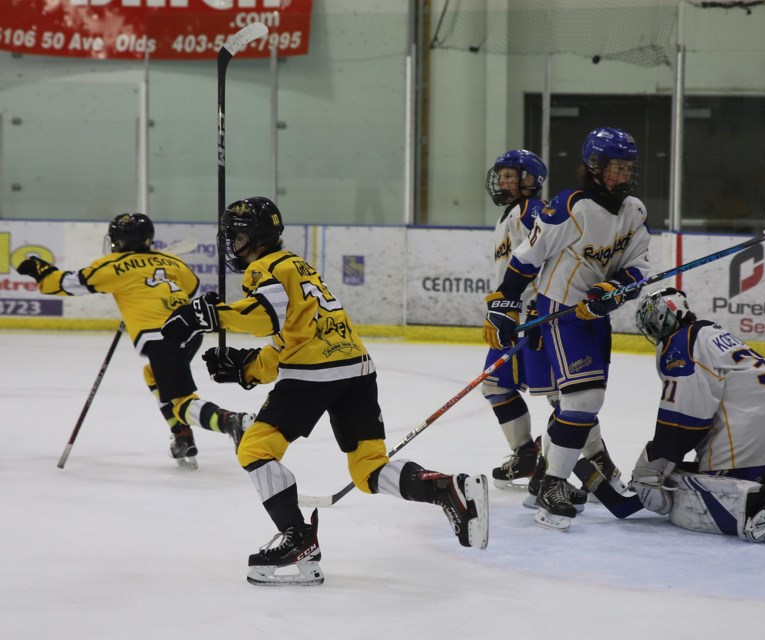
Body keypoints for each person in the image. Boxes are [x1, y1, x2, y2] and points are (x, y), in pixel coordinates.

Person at [160, 197, 489, 586]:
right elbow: (296, 334)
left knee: (254, 449)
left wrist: (207, 316)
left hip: (315, 375)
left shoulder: (266, 268)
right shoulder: (298, 266)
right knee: (368, 469)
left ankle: (299, 540)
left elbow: (267, 317)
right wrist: (248, 367)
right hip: (357, 369)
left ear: (258, 237)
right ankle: (446, 489)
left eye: (238, 234)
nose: (232, 243)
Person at [482, 127, 652, 531]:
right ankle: (554, 482)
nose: (622, 174)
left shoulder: (635, 211)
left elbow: (638, 267)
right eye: (615, 167)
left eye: (627, 167)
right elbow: (528, 257)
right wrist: (506, 304)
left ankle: (553, 475)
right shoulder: (570, 206)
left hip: (594, 315)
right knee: (580, 398)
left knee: (580, 401)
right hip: (559, 309)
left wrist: (616, 289)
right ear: (594, 166)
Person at [575, 287, 765, 543]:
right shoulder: (707, 332)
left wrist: (656, 460)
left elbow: (687, 415)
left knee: (695, 491)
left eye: (653, 325)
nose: (654, 332)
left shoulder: (681, 344)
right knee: (739, 473)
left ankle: (762, 506)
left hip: (743, 429)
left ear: (664, 317)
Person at [16, 213, 251, 469]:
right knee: (153, 376)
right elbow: (190, 288)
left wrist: (41, 271)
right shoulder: (173, 261)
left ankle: (230, 421)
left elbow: (68, 284)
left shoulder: (112, 266)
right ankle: (182, 436)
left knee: (181, 400)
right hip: (190, 332)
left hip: (160, 338)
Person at [481, 149, 557, 490]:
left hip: (534, 318)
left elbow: (548, 257)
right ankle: (526, 455)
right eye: (502, 175)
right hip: (511, 319)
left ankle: (592, 467)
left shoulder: (532, 210)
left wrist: (537, 306)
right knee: (495, 385)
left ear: (530, 180)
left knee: (564, 398)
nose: (503, 181)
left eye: (511, 175)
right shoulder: (509, 215)